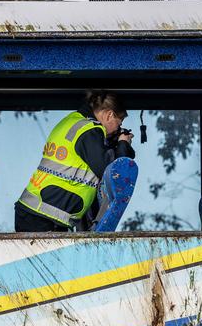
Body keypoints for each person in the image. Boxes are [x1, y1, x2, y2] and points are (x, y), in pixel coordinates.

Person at [15, 91, 135, 232]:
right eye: (118, 124)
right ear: (109, 115)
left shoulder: (73, 121)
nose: (117, 129)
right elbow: (112, 170)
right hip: (43, 216)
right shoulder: (89, 131)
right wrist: (123, 144)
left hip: (38, 211)